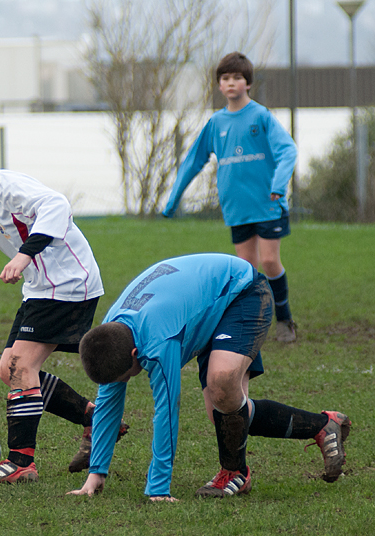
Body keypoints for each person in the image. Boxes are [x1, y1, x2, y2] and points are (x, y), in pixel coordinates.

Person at [0, 141, 128, 484]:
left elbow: (58, 205)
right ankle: (96, 418)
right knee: (9, 369)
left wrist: (24, 255)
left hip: (67, 285)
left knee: (21, 367)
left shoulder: (12, 189)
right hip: (41, 288)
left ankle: (21, 462)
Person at [69, 253, 351, 500]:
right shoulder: (111, 334)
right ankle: (323, 425)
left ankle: (235, 473)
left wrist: (158, 489)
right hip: (203, 305)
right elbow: (107, 405)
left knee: (222, 386)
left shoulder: (157, 343)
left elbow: (166, 412)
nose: (125, 382)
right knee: (225, 412)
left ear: (134, 353)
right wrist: (96, 474)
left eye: (126, 376)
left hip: (242, 291)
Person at [163, 52, 298, 343]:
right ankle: (254, 322)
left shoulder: (260, 116)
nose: (231, 83)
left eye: (237, 77)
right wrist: (174, 198)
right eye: (225, 78)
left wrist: (278, 184)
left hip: (268, 203)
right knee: (246, 269)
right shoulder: (216, 122)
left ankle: (285, 320)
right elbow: (193, 161)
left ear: (247, 83)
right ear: (219, 85)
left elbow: (288, 150)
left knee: (270, 261)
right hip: (237, 209)